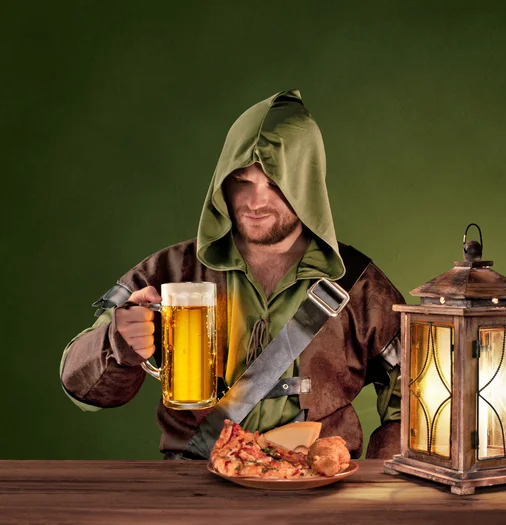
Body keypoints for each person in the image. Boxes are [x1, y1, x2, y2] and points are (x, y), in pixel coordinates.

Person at [60, 90, 404, 460]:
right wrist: (116, 344)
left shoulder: (359, 286)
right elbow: (78, 384)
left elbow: (418, 404)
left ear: (306, 187)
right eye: (243, 181)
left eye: (276, 185)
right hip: (198, 490)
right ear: (223, 181)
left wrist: (380, 481)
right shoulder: (172, 271)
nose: (256, 202)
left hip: (318, 494)